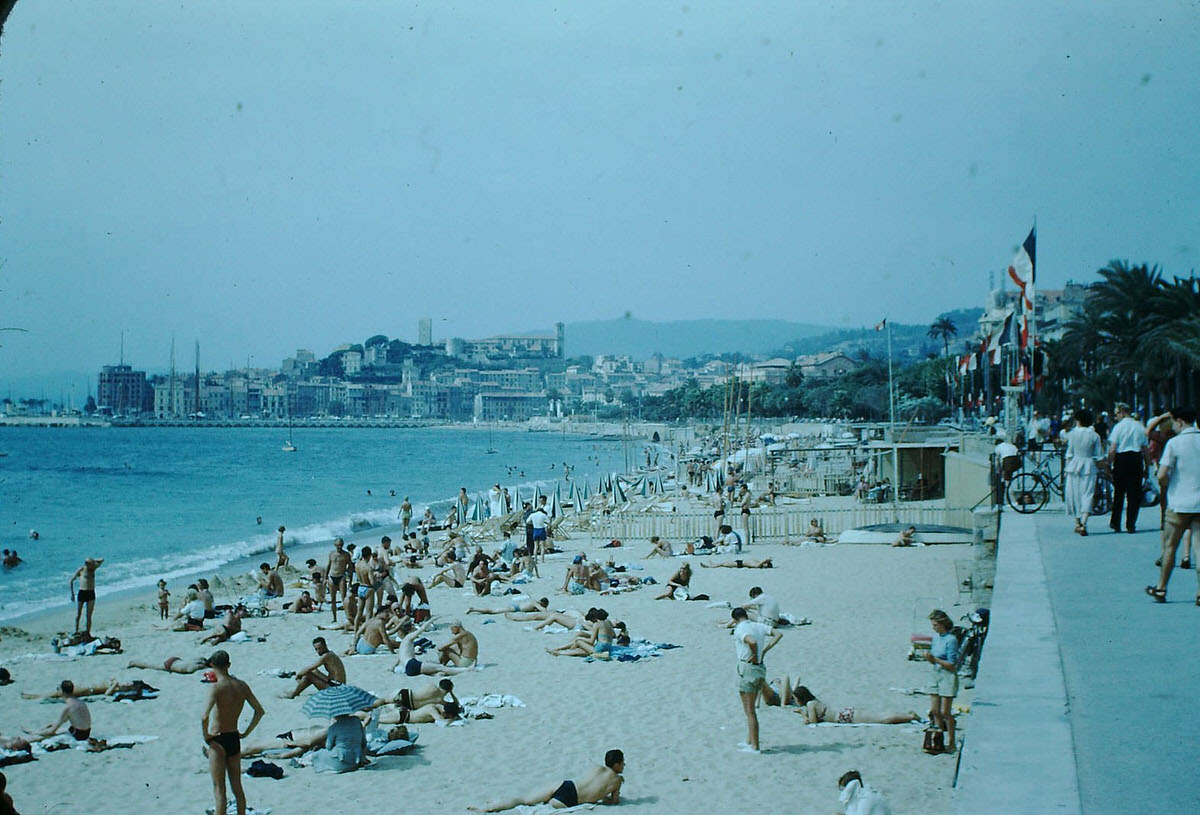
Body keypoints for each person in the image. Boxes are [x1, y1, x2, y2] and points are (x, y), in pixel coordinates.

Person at [1146, 406, 1200, 603]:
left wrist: (1166, 484)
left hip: (1179, 503)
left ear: (1179, 421)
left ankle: (1161, 588)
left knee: (1170, 547)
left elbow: (1162, 475)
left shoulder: (1175, 443)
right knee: (1199, 548)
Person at [201, 650, 264, 815]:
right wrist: (246, 733)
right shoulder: (241, 685)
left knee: (219, 791)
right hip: (234, 737)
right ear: (228, 665)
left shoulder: (216, 688)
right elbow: (259, 711)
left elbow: (204, 716)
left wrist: (206, 736)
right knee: (238, 789)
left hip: (218, 739)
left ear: (212, 665)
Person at [468, 749, 625, 812]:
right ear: (617, 764)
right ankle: (491, 808)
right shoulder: (617, 780)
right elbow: (614, 801)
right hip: (570, 800)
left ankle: (489, 807)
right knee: (532, 806)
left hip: (565, 785)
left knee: (524, 800)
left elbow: (591, 784)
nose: (624, 765)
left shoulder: (596, 767)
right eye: (623, 763)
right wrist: (604, 797)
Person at [731, 607, 781, 753]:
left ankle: (755, 746)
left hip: (748, 668)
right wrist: (765, 650)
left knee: (750, 710)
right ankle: (749, 740)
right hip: (759, 667)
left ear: (735, 620)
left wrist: (754, 654)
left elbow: (751, 641)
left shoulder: (740, 629)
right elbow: (778, 634)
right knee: (750, 708)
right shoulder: (758, 625)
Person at [1108, 402, 1149, 533]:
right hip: (1136, 459)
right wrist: (1147, 466)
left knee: (1118, 493)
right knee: (1134, 494)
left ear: (1122, 412)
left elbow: (1113, 448)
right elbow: (1145, 449)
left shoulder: (1118, 427)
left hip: (1121, 459)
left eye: (1116, 414)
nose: (1116, 417)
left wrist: (1108, 463)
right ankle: (1131, 524)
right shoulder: (1139, 426)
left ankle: (1116, 522)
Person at [787, 685, 918, 724]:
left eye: (795, 698)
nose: (795, 701)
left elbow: (812, 722)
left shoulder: (810, 705)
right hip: (846, 713)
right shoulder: (814, 701)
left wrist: (803, 714)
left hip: (845, 717)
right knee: (879, 716)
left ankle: (910, 717)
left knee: (881, 719)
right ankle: (906, 715)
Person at [1064, 409, 1104, 536]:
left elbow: (1069, 453)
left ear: (1078, 420)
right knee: (1088, 494)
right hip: (1089, 465)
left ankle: (1077, 522)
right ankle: (1084, 523)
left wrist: (1066, 468)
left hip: (1074, 465)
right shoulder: (1094, 435)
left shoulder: (1072, 434)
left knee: (1074, 494)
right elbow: (1098, 455)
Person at [925, 609, 959, 753]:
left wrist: (935, 659)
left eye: (935, 625)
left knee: (946, 712)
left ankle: (951, 741)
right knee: (935, 711)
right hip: (936, 674)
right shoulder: (936, 638)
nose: (933, 628)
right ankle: (938, 740)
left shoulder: (951, 640)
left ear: (942, 624)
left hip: (947, 676)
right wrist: (930, 659)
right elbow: (935, 659)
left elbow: (952, 664)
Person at [69, 557, 103, 635]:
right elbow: (71, 581)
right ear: (87, 564)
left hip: (91, 593)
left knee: (89, 615)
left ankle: (88, 632)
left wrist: (93, 560)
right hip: (82, 592)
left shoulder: (94, 568)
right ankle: (76, 630)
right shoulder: (81, 570)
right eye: (91, 564)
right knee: (78, 614)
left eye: (93, 564)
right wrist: (72, 594)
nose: (92, 565)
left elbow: (102, 559)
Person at [325, 537, 352, 622]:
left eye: (341, 545)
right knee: (333, 599)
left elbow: (350, 567)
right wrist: (325, 578)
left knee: (344, 598)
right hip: (332, 577)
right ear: (335, 545)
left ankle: (347, 617)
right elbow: (328, 565)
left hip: (341, 577)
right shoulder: (331, 554)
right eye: (338, 545)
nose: (339, 547)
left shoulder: (346, 554)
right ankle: (334, 618)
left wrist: (350, 580)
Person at [128, 655, 211, 674]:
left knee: (152, 664)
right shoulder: (195, 667)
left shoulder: (199, 660)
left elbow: (202, 658)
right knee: (151, 666)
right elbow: (191, 669)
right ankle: (134, 663)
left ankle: (135, 663)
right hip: (170, 666)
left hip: (176, 660)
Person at [468, 597, 549, 615]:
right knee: (492, 611)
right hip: (514, 608)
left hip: (515, 607)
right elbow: (543, 610)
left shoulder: (534, 602)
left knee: (493, 611)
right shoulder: (536, 604)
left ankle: (474, 609)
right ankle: (474, 609)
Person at [699, 557, 773, 569]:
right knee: (724, 563)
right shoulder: (759, 563)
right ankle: (713, 564)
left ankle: (709, 566)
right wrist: (767, 560)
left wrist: (766, 560)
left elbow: (759, 564)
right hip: (739, 562)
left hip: (739, 564)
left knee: (723, 564)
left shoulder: (758, 565)